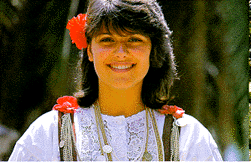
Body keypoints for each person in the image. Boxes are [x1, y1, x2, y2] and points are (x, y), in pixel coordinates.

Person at [9, 0, 223, 161]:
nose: (121, 53)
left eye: (134, 40)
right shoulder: (47, 134)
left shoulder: (189, 137)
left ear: (152, 49)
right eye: (107, 40)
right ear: (90, 50)